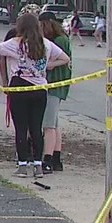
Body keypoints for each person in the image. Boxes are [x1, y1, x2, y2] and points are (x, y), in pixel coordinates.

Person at [0, 12, 71, 179]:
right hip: (40, 89)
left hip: (20, 88)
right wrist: (49, 65)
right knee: (36, 127)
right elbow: (65, 58)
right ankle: (38, 166)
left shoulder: (15, 43)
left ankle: (22, 166)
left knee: (21, 128)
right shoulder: (46, 44)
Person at [39, 12, 72, 173]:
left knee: (49, 125)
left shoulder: (58, 41)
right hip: (58, 85)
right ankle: (57, 157)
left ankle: (48, 159)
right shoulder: (62, 39)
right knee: (55, 123)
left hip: (53, 85)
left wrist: (49, 65)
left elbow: (63, 59)